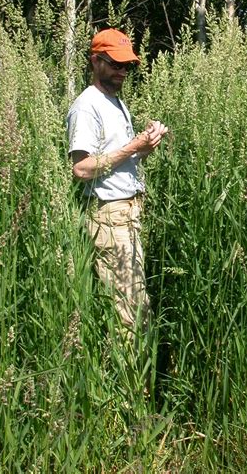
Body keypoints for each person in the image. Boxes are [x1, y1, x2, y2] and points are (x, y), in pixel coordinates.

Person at [66, 28, 168, 339]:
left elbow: (118, 162)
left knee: (135, 304)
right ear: (95, 62)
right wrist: (132, 147)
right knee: (131, 311)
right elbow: (82, 168)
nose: (122, 72)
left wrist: (145, 148)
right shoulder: (87, 106)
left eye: (127, 66)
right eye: (115, 64)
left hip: (128, 213)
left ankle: (135, 379)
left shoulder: (116, 103)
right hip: (110, 217)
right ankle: (130, 383)